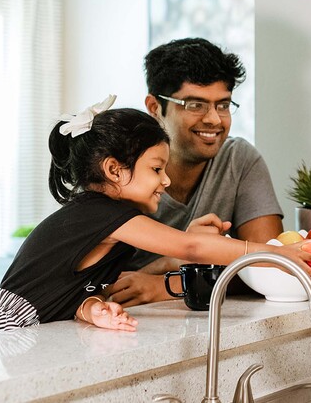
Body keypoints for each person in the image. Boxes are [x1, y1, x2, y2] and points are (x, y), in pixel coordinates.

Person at [0, 99, 311, 335]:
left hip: (26, 334)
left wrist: (92, 309)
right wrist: (277, 254)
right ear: (114, 169)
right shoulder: (102, 214)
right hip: (3, 329)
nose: (166, 179)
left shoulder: (108, 223)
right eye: (157, 168)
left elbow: (70, 290)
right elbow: (192, 248)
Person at [107, 38, 286, 306]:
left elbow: (268, 265)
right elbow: (85, 281)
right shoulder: (118, 169)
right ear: (155, 107)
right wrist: (181, 258)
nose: (214, 119)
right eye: (195, 105)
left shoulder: (239, 160)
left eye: (223, 105)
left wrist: (167, 286)